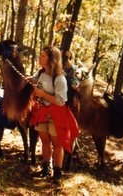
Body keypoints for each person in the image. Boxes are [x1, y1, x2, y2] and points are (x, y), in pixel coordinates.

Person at [29, 46, 79, 184]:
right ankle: (46, 168)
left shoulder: (60, 78)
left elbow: (61, 101)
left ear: (51, 60)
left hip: (56, 115)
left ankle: (57, 173)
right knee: (45, 141)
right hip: (42, 112)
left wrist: (42, 94)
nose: (39, 58)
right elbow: (33, 80)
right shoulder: (41, 73)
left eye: (43, 56)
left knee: (57, 144)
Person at [63, 50, 80, 118]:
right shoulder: (60, 65)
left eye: (69, 54)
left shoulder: (74, 67)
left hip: (69, 92)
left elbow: (75, 78)